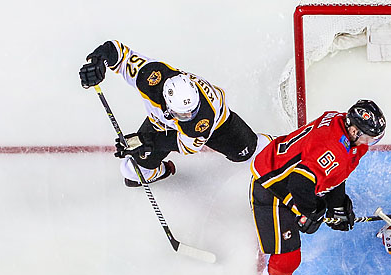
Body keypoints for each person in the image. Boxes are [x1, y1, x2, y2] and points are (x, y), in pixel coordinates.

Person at [249, 100, 386, 275]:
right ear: (354, 130)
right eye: (367, 137)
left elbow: (336, 171)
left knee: (311, 215)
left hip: (289, 171)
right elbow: (299, 186)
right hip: (271, 186)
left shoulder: (342, 126)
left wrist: (337, 204)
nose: (369, 143)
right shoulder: (331, 148)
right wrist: (311, 213)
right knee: (287, 259)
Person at [79, 40, 265, 187]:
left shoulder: (201, 120)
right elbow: (116, 52)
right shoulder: (150, 77)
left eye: (191, 112)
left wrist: (146, 142)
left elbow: (187, 146)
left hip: (219, 126)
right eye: (183, 114)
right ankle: (164, 170)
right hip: (160, 124)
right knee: (131, 172)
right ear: (168, 105)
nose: (189, 117)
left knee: (248, 152)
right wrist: (97, 62)